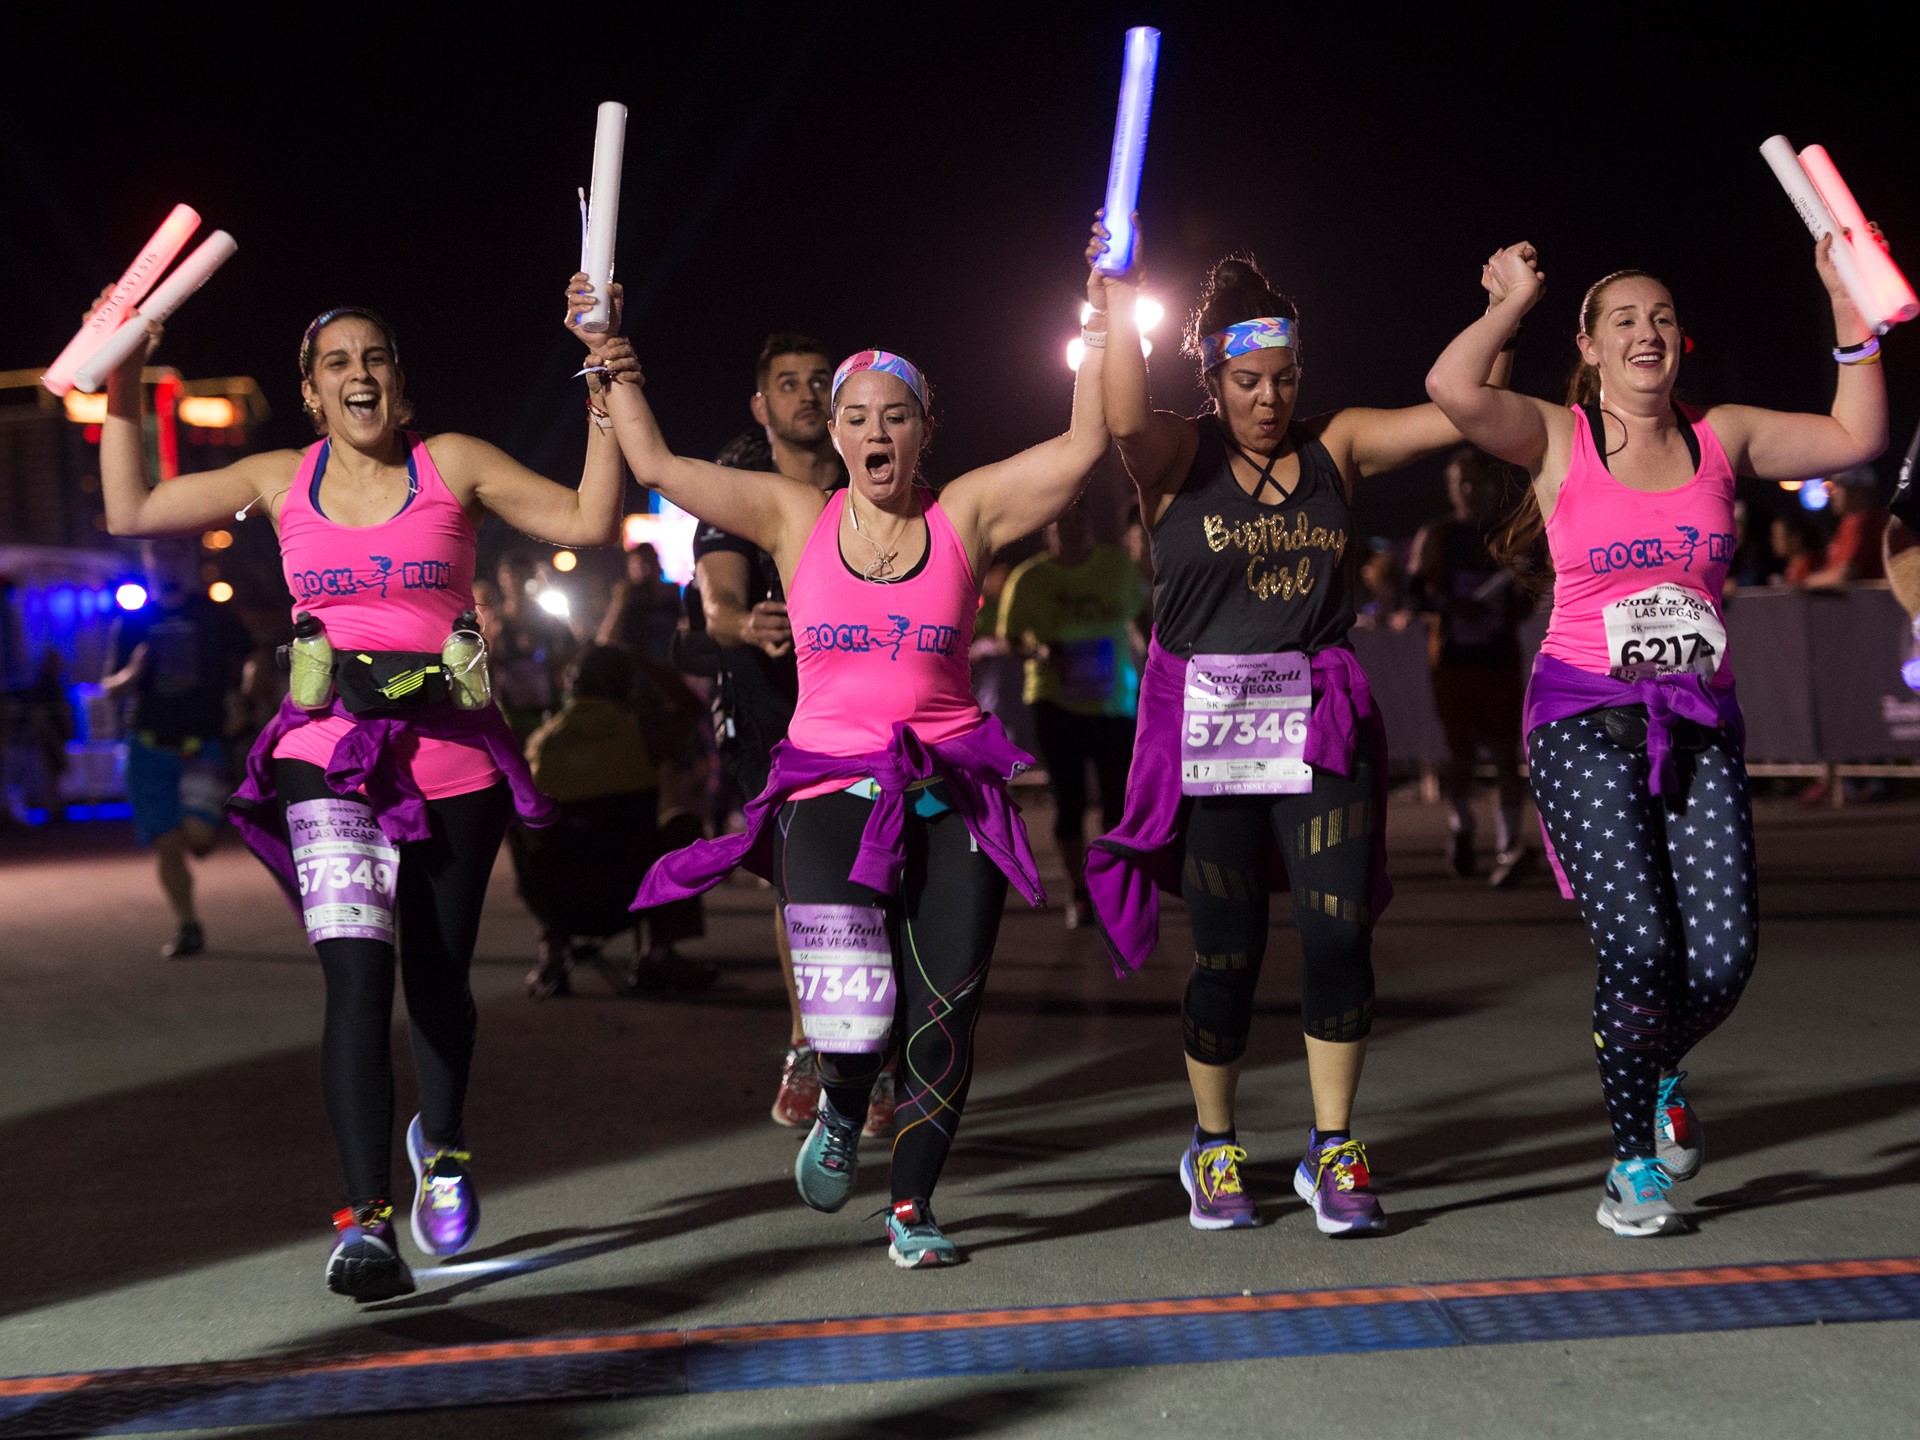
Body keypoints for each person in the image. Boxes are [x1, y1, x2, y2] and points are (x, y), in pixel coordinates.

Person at [92, 277, 628, 1300]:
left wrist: (602, 376)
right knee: (356, 974)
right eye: (337, 362)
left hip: (453, 756)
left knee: (438, 976)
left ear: (400, 380)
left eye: (375, 357)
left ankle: (446, 1144)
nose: (359, 374)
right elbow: (132, 508)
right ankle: (367, 1222)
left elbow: (591, 516)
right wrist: (122, 377)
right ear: (311, 392)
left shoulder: (452, 463)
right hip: (326, 751)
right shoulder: (279, 478)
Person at [601, 228, 1111, 1268]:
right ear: (834, 434)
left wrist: (1102, 321)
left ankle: (912, 1209)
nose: (878, 432)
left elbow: (1082, 447)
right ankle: (840, 1098)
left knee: (944, 1014)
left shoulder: (968, 514)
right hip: (829, 788)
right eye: (858, 417)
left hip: (952, 793)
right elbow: (654, 464)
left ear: (925, 431)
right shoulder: (793, 515)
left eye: (897, 416)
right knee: (849, 1014)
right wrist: (611, 361)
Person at [1425, 238, 1887, 1235]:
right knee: (1639, 946)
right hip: (1582, 720)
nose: (1648, 332)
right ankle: (1632, 1167)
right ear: (1589, 348)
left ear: (1684, 342)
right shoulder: (1558, 436)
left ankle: (1655, 1062)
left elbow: (1858, 434)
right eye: (1625, 320)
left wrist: (1848, 308)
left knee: (1721, 961)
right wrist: (1510, 303)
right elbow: (1452, 388)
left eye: (1664, 317)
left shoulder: (1724, 437)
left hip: (1699, 723)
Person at [1086, 229, 1515, 1238]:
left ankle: (1333, 1146)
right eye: (1246, 382)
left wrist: (1507, 310)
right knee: (1226, 955)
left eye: (1283, 380)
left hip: (1317, 720)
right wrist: (1119, 295)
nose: (1268, 400)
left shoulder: (1340, 444)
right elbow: (1120, 416)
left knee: (1337, 932)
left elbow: (1462, 410)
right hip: (1213, 732)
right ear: (1212, 380)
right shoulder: (1177, 455)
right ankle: (1213, 1143)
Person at [687, 335, 870, 1127]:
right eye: (788, 383)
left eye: (818, 381)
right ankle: (808, 1043)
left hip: (862, 699)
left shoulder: (871, 473)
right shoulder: (738, 486)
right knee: (803, 874)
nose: (806, 393)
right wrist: (746, 623)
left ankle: (874, 1049)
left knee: (877, 868)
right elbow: (718, 604)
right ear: (761, 407)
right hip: (768, 706)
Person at [996, 499, 1146, 927]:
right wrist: (1041, 652)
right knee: (1070, 801)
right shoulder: (1030, 578)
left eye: (1080, 520)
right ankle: (1078, 891)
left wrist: (1158, 657)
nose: (1073, 529)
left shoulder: (1117, 568)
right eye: (1063, 523)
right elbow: (1009, 639)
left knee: (1117, 802)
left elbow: (1142, 619)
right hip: (1055, 702)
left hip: (1113, 702)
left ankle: (1110, 886)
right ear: (1049, 529)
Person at [102, 538, 254, 956]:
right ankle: (188, 925)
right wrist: (133, 672)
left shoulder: (212, 612)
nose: (168, 562)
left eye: (175, 553)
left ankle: (201, 833)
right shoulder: (133, 620)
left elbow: (252, 655)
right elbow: (109, 686)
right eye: (159, 555)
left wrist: (244, 697)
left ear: (188, 559)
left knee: (199, 841)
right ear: (147, 562)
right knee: (167, 845)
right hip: (148, 746)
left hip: (202, 745)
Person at [1408, 447, 1533, 884]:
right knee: (1459, 754)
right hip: (1453, 662)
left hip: (1498, 660)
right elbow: (1415, 596)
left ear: (1491, 485)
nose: (1467, 489)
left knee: (1504, 753)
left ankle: (1509, 845)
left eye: (1475, 481)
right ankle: (1461, 830)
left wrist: (1508, 604)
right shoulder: (1436, 535)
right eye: (1459, 482)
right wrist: (1452, 605)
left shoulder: (1508, 535)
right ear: (1450, 488)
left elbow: (1529, 595)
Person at [516, 645, 658, 998]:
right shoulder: (641, 732)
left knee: (522, 831)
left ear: (571, 684)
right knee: (680, 825)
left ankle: (552, 948)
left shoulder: (540, 743)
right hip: (631, 890)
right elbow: (691, 707)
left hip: (557, 899)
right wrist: (643, 658)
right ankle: (659, 952)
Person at [1796, 467, 1886, 588]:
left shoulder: (1869, 522)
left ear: (1860, 490)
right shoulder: (1847, 522)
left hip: (1869, 599)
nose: (1832, 494)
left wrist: (1804, 583)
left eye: (1839, 486)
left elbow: (1846, 573)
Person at [598, 543, 683, 665]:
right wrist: (619, 604)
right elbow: (605, 642)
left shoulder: (671, 597)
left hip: (667, 667)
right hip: (635, 667)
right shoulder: (626, 599)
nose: (646, 570)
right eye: (639, 565)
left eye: (650, 563)